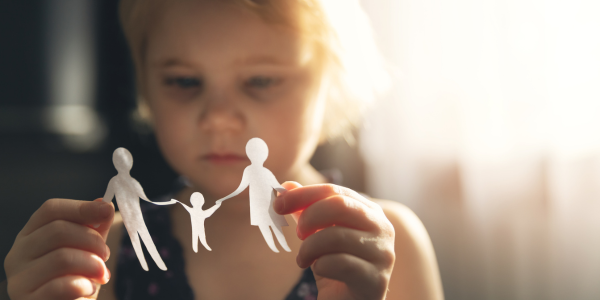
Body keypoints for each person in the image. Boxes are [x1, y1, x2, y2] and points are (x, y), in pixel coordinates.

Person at [3, 0, 445, 299]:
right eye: (184, 81)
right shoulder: (109, 251)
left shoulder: (385, 243)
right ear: (146, 88)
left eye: (260, 81)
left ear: (332, 85)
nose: (216, 117)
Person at [102, 147, 176, 271]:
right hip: (128, 218)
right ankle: (147, 266)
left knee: (146, 241)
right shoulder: (115, 182)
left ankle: (158, 264)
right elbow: (105, 201)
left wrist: (167, 202)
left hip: (138, 216)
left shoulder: (132, 182)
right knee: (136, 244)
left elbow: (145, 198)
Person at [215, 137, 291, 253]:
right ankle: (276, 247)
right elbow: (240, 188)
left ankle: (283, 245)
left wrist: (294, 194)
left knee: (275, 228)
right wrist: (224, 198)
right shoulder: (249, 171)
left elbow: (277, 186)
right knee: (266, 228)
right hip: (258, 207)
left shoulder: (264, 172)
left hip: (270, 205)